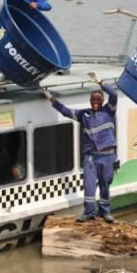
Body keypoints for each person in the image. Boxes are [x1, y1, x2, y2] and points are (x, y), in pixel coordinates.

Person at [45, 75, 118, 222]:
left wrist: (100, 81)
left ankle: (105, 212)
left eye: (98, 99)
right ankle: (89, 212)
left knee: (105, 185)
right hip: (91, 157)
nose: (95, 102)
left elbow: (114, 94)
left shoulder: (109, 111)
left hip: (107, 156)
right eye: (92, 100)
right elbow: (65, 111)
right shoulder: (84, 114)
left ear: (102, 101)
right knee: (89, 185)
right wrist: (51, 99)